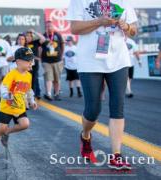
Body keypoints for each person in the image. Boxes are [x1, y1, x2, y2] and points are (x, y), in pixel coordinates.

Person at [68, 0, 138, 170]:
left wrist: (126, 26)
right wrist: (100, 21)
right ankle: (85, 135)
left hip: (119, 60)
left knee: (118, 107)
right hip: (90, 61)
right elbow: (75, 28)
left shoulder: (123, 2)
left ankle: (116, 156)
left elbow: (134, 31)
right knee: (93, 109)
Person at [0, 47, 38, 156]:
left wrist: (31, 100)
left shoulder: (28, 75)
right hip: (8, 107)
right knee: (1, 128)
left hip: (19, 107)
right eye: (28, 61)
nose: (31, 63)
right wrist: (7, 95)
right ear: (18, 62)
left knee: (25, 124)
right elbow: (3, 86)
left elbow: (28, 90)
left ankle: (7, 132)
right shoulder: (12, 74)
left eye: (32, 60)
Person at [42, 21, 65, 101]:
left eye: (50, 26)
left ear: (53, 27)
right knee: (49, 77)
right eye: (47, 26)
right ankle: (48, 93)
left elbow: (62, 44)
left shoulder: (57, 35)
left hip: (57, 61)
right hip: (46, 61)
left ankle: (56, 93)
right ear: (46, 28)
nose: (49, 28)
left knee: (57, 79)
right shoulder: (43, 35)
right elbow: (40, 46)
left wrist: (62, 56)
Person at [26, 29, 46, 100]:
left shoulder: (35, 42)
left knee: (35, 79)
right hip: (26, 64)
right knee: (28, 79)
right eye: (27, 36)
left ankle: (35, 94)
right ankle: (28, 95)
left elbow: (43, 39)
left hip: (35, 64)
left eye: (30, 36)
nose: (28, 37)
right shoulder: (24, 44)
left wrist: (34, 32)